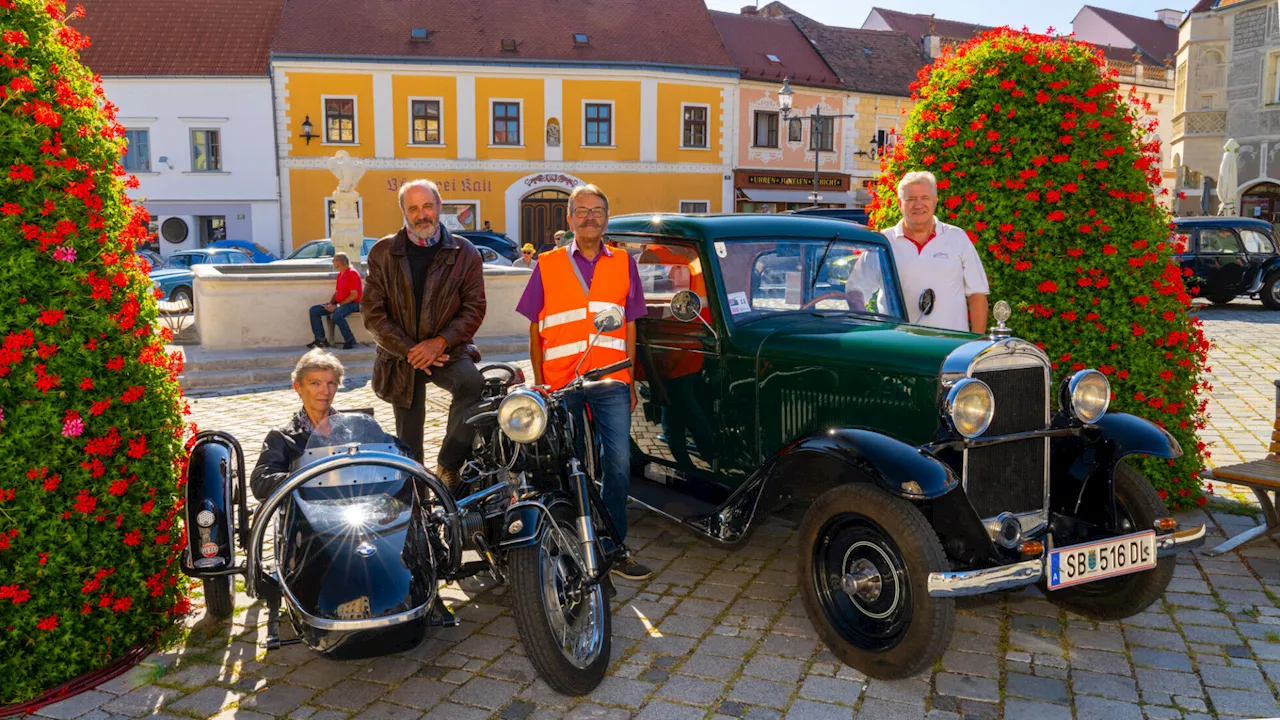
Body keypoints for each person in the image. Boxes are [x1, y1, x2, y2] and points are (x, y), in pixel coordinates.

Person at [516, 184, 652, 581]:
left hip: (611, 378)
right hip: (562, 383)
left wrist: (628, 377)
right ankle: (576, 542)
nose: (590, 216)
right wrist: (541, 383)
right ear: (569, 218)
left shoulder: (624, 263)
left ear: (606, 219)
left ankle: (614, 546)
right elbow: (535, 328)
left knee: (619, 464)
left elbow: (630, 325)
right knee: (569, 464)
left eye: (597, 210)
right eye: (582, 210)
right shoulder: (548, 263)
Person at [361, 179, 486, 489]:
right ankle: (417, 497)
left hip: (447, 349)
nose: (422, 215)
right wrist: (411, 350)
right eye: (413, 208)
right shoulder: (383, 252)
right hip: (401, 356)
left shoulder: (464, 252)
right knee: (409, 441)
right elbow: (373, 314)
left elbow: (474, 308)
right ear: (404, 212)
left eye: (427, 206)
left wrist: (440, 342)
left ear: (439, 207)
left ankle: (449, 463)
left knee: (473, 384)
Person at [883, 170, 989, 333]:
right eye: (911, 199)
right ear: (899, 203)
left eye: (925, 198)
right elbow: (856, 289)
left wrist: (975, 343)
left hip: (950, 347)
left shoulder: (957, 238)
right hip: (898, 347)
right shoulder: (884, 242)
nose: (918, 205)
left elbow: (977, 295)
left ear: (935, 200)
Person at [250, 349, 344, 500]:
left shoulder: (356, 430)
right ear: (297, 387)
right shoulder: (281, 438)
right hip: (304, 517)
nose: (325, 391)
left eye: (331, 383)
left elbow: (392, 453)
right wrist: (310, 477)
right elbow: (260, 483)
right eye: (315, 383)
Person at [307, 252, 362, 350]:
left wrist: (337, 306)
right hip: (340, 303)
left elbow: (354, 296)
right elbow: (337, 293)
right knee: (314, 310)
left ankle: (350, 340)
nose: (332, 262)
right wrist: (330, 304)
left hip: (354, 304)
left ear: (340, 261)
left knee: (337, 314)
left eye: (334, 260)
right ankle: (321, 340)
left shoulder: (352, 273)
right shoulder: (340, 274)